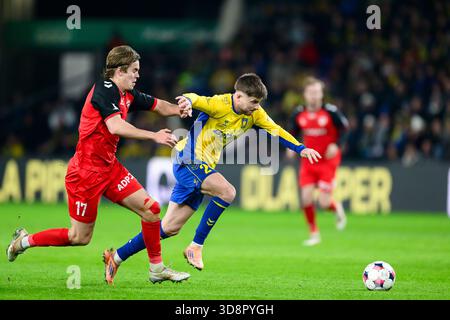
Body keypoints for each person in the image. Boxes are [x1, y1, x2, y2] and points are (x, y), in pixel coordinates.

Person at [102, 73, 321, 284]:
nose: (256, 106)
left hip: (202, 166)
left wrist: (300, 148)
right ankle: (196, 246)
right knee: (228, 192)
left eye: (258, 102)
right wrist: (186, 101)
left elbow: (276, 130)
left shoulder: (255, 113)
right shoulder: (220, 104)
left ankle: (117, 257)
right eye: (253, 101)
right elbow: (197, 99)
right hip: (189, 160)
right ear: (238, 96)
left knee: (169, 228)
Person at [6, 45, 192, 284]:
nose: (138, 75)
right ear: (120, 71)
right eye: (134, 71)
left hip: (109, 168)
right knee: (79, 237)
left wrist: (179, 109)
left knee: (152, 210)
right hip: (85, 173)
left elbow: (158, 105)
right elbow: (115, 126)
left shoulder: (127, 95)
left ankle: (156, 269)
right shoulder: (104, 90)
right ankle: (23, 241)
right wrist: (153, 135)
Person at [287, 76, 349, 246]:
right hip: (309, 161)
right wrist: (291, 148)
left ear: (322, 94)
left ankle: (336, 208)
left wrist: (336, 145)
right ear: (305, 95)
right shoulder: (299, 113)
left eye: (317, 92)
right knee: (306, 199)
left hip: (328, 161)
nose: (314, 96)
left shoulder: (331, 111)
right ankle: (314, 233)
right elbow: (291, 132)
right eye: (311, 92)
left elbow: (345, 129)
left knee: (323, 202)